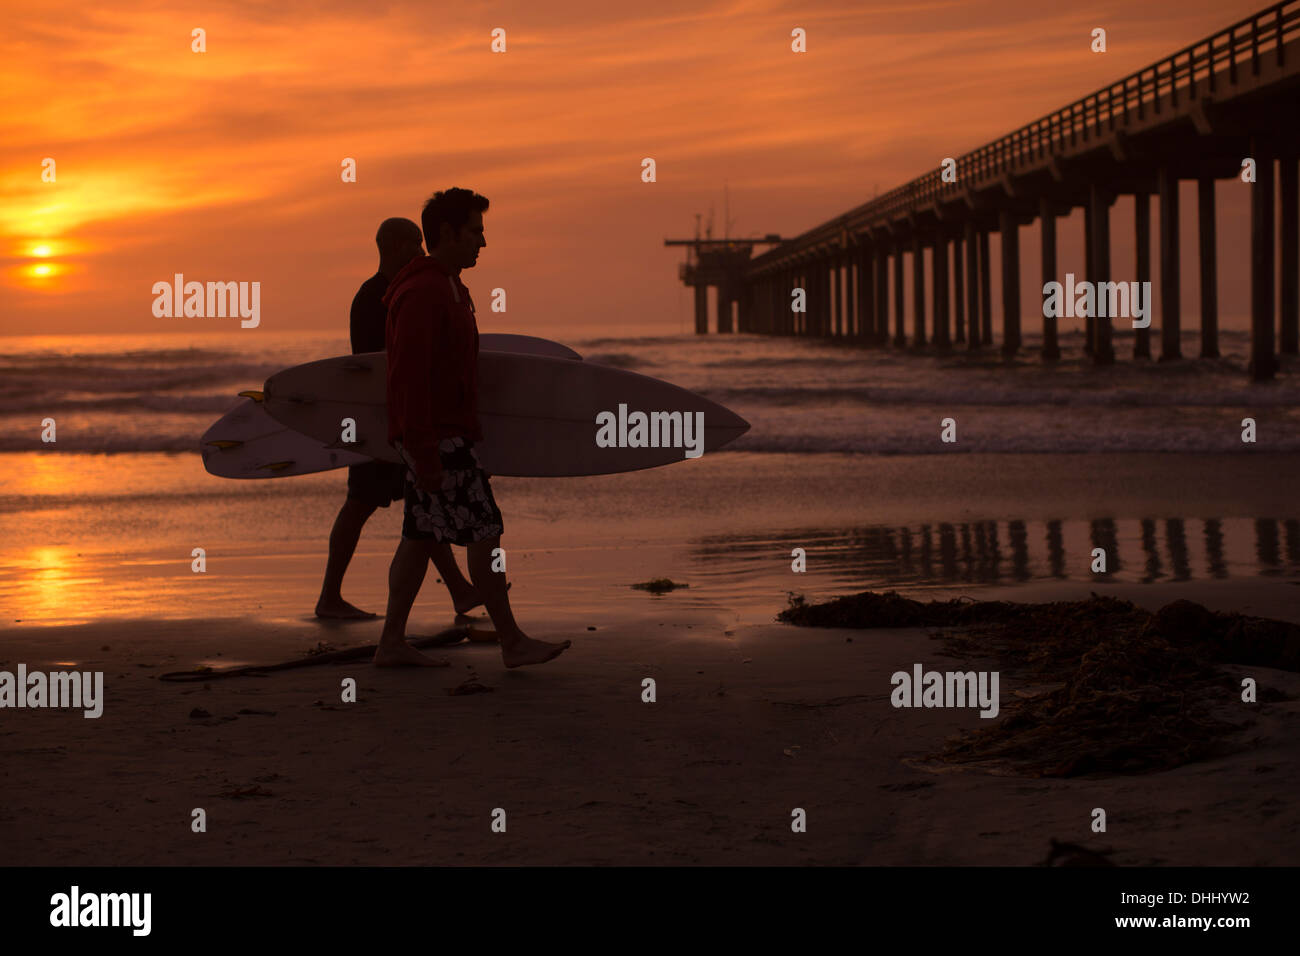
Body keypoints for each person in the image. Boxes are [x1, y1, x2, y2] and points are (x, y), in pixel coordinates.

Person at [374, 188, 570, 668]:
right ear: (447, 233)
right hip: (437, 438)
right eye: (476, 232)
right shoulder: (424, 292)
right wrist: (424, 452)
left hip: (439, 434)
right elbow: (408, 376)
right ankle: (512, 642)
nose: (483, 242)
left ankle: (391, 643)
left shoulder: (449, 287)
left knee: (420, 536)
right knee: (485, 532)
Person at [315, 216, 492, 622]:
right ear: (394, 246)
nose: (421, 250)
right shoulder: (377, 296)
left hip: (394, 422)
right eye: (415, 243)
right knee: (367, 505)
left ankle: (459, 592)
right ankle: (330, 598)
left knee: (419, 510)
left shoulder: (398, 291)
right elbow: (380, 367)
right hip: (383, 423)